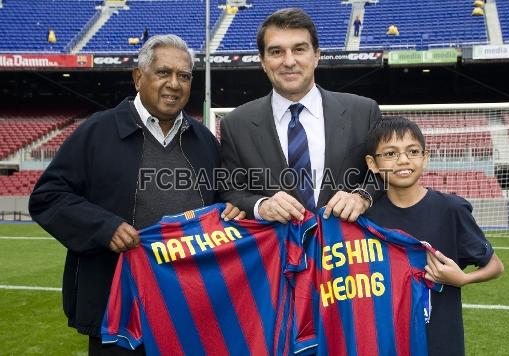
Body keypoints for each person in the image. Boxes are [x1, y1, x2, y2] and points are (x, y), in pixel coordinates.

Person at [29, 34, 243, 355]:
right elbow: (48, 197)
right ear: (137, 77)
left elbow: (225, 208)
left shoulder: (205, 141)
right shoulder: (97, 132)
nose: (174, 84)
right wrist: (103, 227)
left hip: (190, 307)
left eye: (184, 76)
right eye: (163, 73)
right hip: (118, 308)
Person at [220, 8, 381, 224]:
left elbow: (382, 175)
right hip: (277, 253)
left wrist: (362, 197)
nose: (288, 61)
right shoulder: (235, 124)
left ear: (316, 55)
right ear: (263, 61)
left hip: (347, 251)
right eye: (276, 52)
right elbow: (231, 190)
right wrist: (260, 206)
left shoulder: (363, 112)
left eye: (299, 49)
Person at [364, 116, 504, 356]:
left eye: (412, 151)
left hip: (440, 344)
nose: (403, 160)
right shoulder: (366, 219)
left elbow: (495, 266)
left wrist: (463, 279)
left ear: (425, 157)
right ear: (373, 164)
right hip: (385, 344)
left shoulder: (451, 210)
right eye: (390, 154)